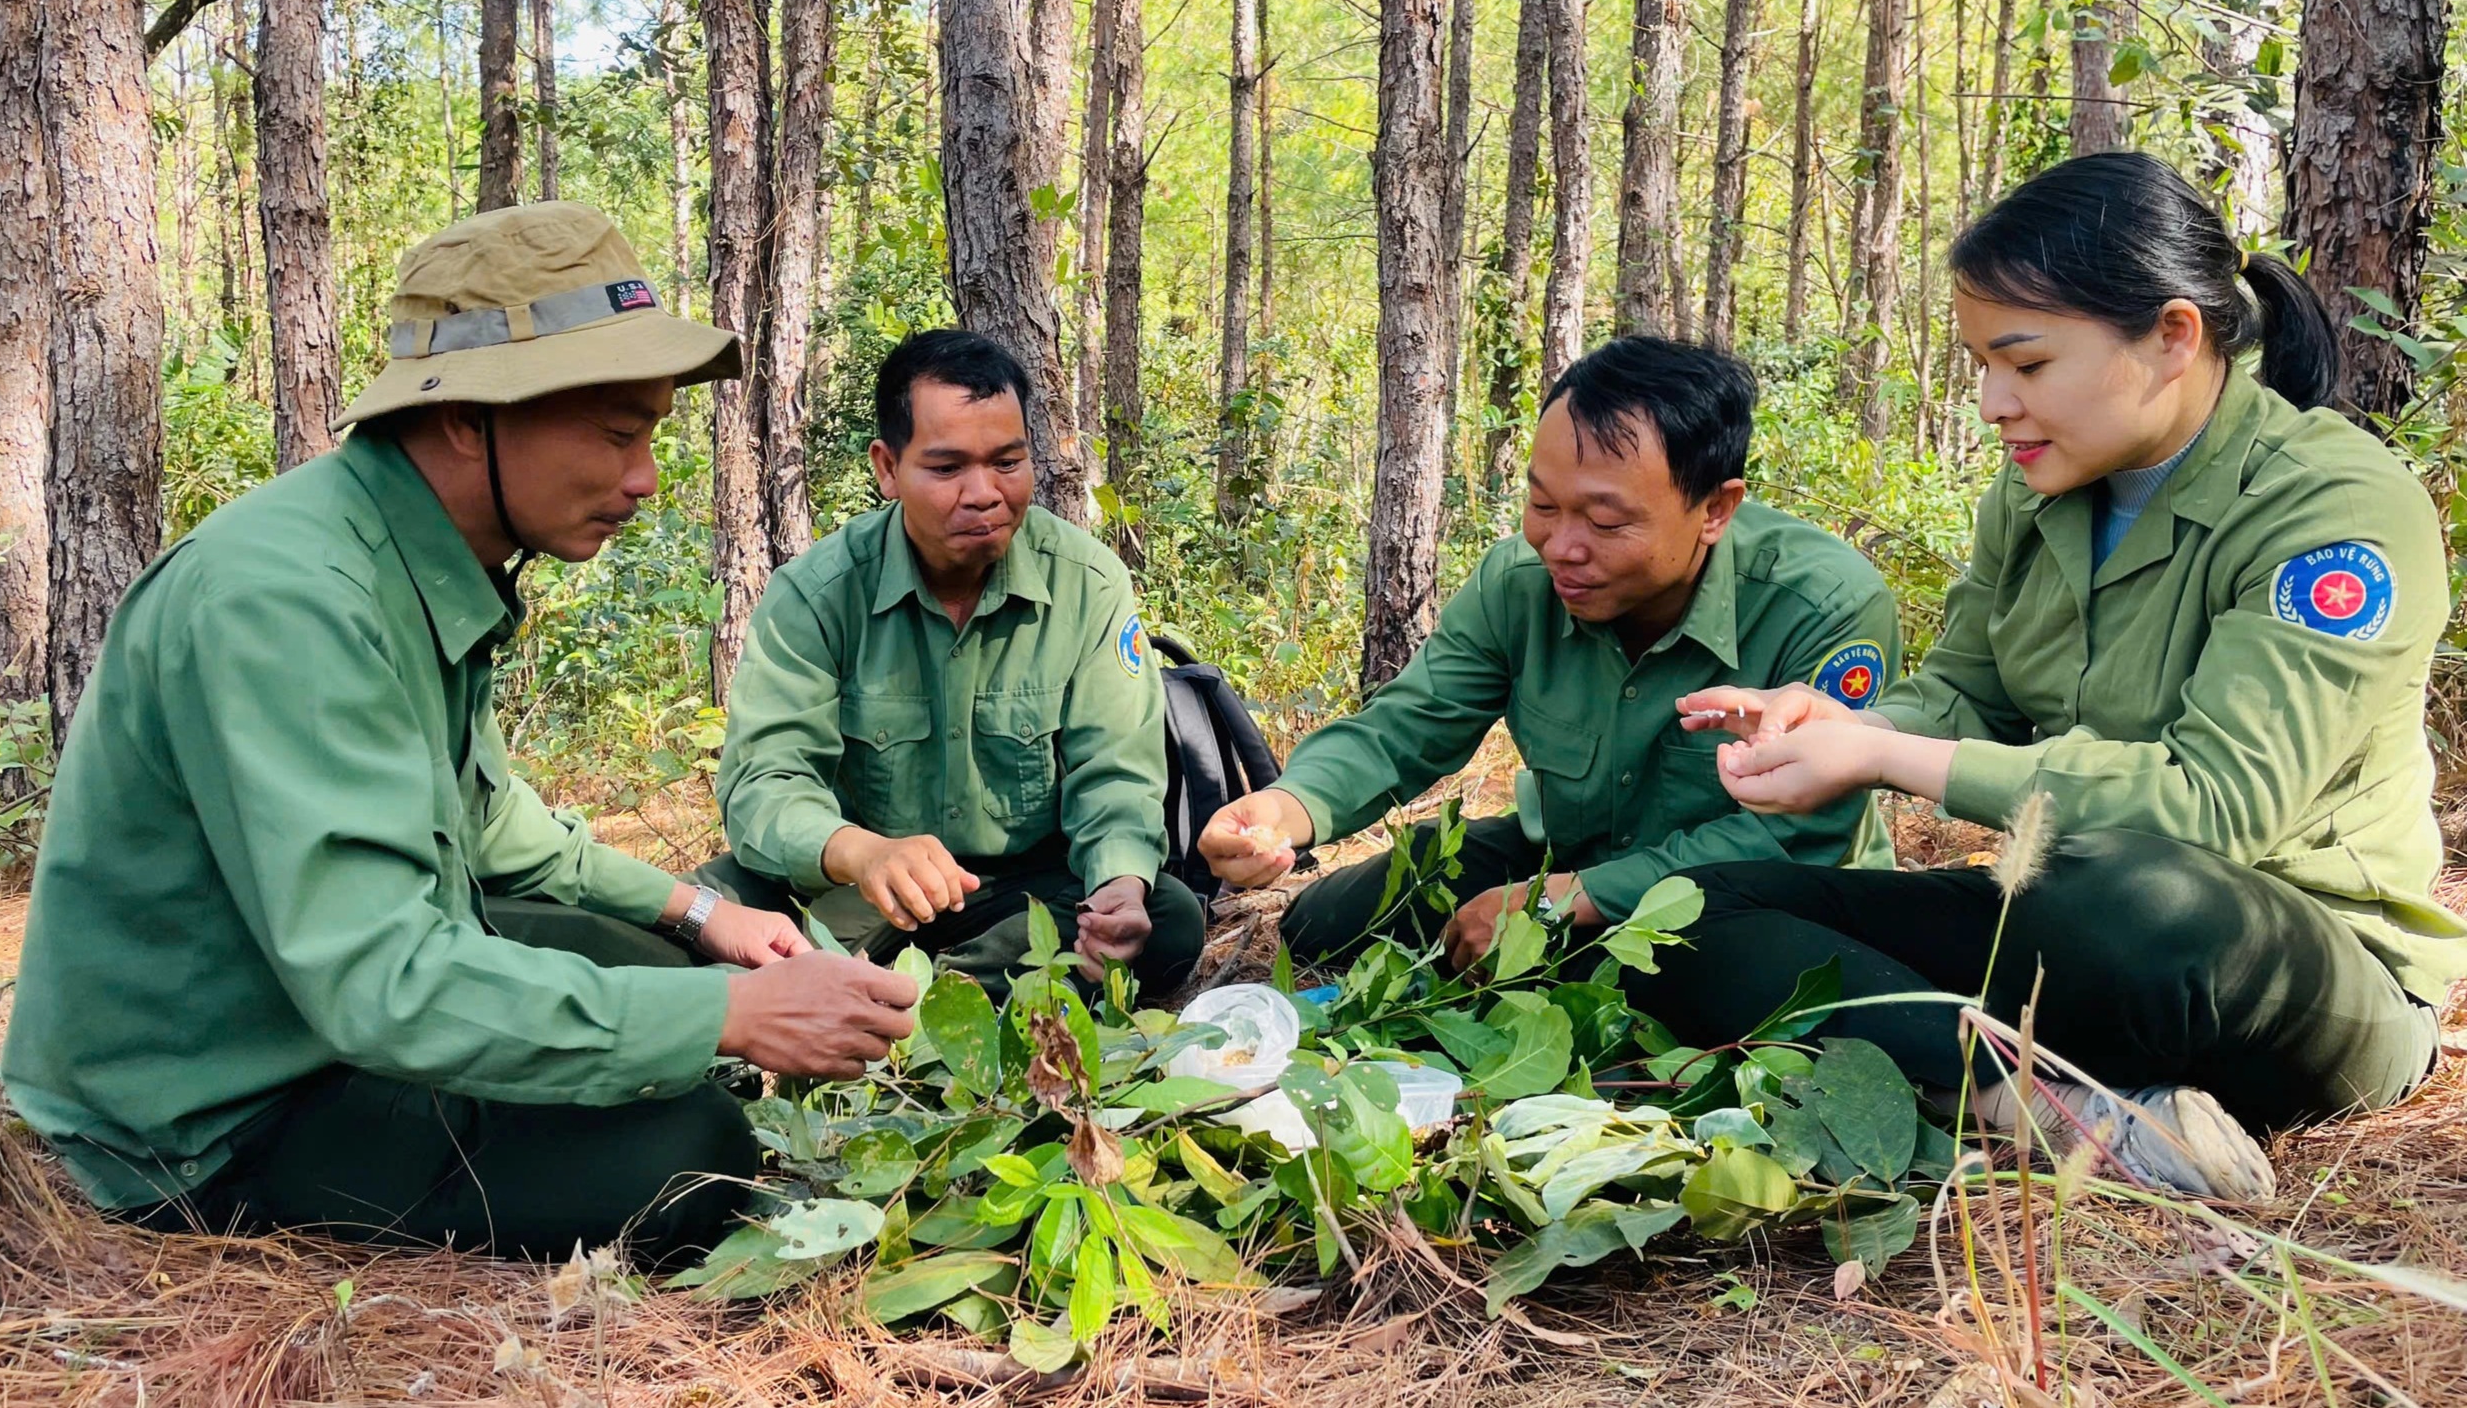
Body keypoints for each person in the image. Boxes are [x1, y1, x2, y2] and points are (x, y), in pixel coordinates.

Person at [1, 203, 921, 1266]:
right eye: (618, 434)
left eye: (652, 436)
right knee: (691, 1153)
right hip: (205, 1115)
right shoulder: (286, 600)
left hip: (312, 1017)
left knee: (655, 980)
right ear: (463, 418)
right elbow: (382, 980)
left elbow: (490, 827)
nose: (645, 480)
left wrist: (704, 917)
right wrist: (730, 1011)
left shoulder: (415, 552)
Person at [1666, 152, 2467, 1202]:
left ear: (2171, 337)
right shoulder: (2038, 493)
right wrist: (1830, 719)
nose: (1994, 402)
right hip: (2071, 920)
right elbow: (1959, 687)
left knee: (2113, 891)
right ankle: (2048, 1107)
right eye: (1981, 365)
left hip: (2284, 961)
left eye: (2026, 363)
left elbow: (2216, 809)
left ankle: (1986, 1058)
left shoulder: (2329, 507)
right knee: (1692, 908)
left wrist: (1886, 755)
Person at [1197, 336, 1902, 970]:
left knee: (1686, 968)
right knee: (1326, 923)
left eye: (1604, 520)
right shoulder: (1520, 583)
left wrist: (1582, 899)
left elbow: (1791, 838)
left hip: (1747, 886)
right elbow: (1404, 728)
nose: (1561, 546)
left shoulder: (1822, 604)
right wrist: (1285, 808)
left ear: (1715, 509)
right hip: (1569, 850)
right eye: (1542, 506)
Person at [701, 330, 1205, 999]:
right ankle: (927, 995)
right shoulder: (816, 595)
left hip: (1022, 893)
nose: (984, 493)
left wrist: (1118, 887)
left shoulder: (1088, 584)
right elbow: (766, 782)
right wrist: (864, 852)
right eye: (946, 469)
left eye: (1007, 461)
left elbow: (1114, 773)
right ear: (887, 467)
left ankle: (878, 998)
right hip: (853, 885)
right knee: (694, 912)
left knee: (1167, 920)